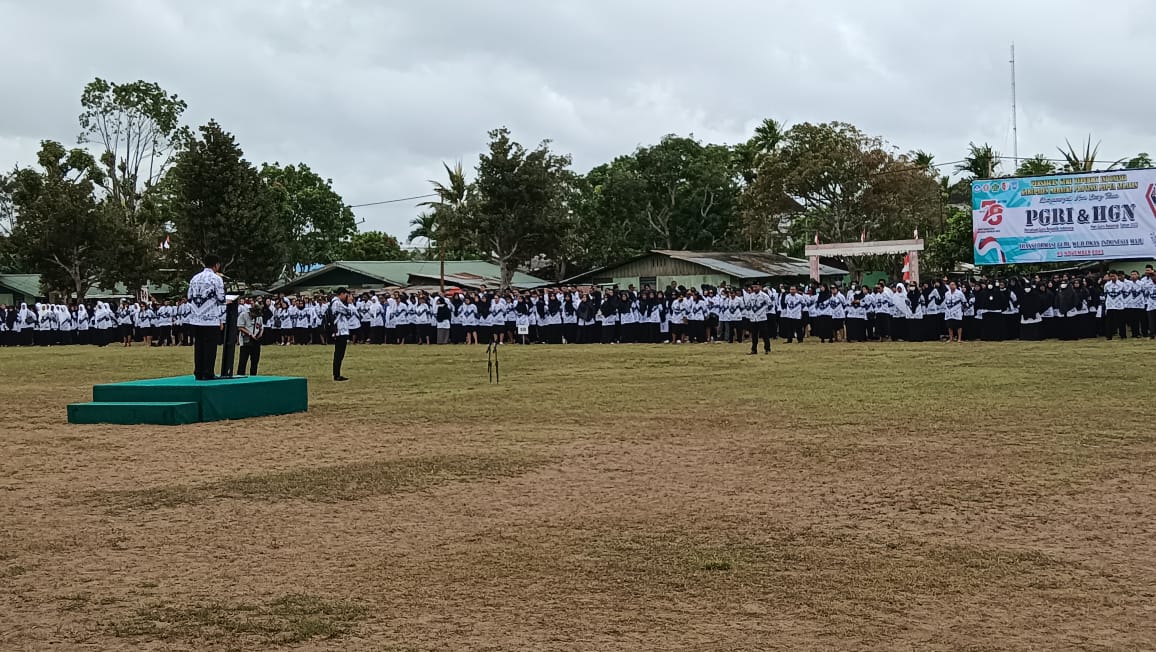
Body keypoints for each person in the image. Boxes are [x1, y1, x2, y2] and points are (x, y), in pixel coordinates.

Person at [188, 255, 226, 381]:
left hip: (195, 318)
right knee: (210, 347)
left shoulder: (194, 278)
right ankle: (208, 372)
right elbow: (221, 299)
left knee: (198, 346)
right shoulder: (216, 279)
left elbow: (189, 296)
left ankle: (198, 371)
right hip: (210, 318)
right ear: (216, 265)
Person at [329, 287, 356, 381]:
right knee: (339, 354)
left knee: (340, 354)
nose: (347, 297)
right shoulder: (336, 303)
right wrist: (350, 303)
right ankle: (336, 375)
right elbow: (349, 311)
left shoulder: (337, 302)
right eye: (346, 295)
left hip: (341, 330)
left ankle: (337, 374)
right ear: (341, 294)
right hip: (339, 331)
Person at [236, 299, 264, 377]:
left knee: (255, 361)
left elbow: (261, 327)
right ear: (251, 312)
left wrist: (260, 334)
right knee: (243, 361)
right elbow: (240, 327)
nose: (255, 316)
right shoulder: (243, 315)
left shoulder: (259, 317)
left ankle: (253, 376)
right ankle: (240, 376)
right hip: (246, 340)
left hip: (256, 340)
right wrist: (250, 334)